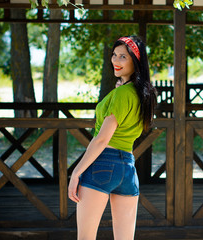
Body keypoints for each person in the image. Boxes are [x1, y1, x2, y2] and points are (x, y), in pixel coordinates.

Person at [68, 36, 157, 240]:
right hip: (127, 167)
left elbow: (101, 139)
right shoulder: (143, 94)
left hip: (102, 164)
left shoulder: (122, 94)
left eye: (123, 56)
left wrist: (76, 173)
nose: (116, 61)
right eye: (114, 55)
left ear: (135, 61)